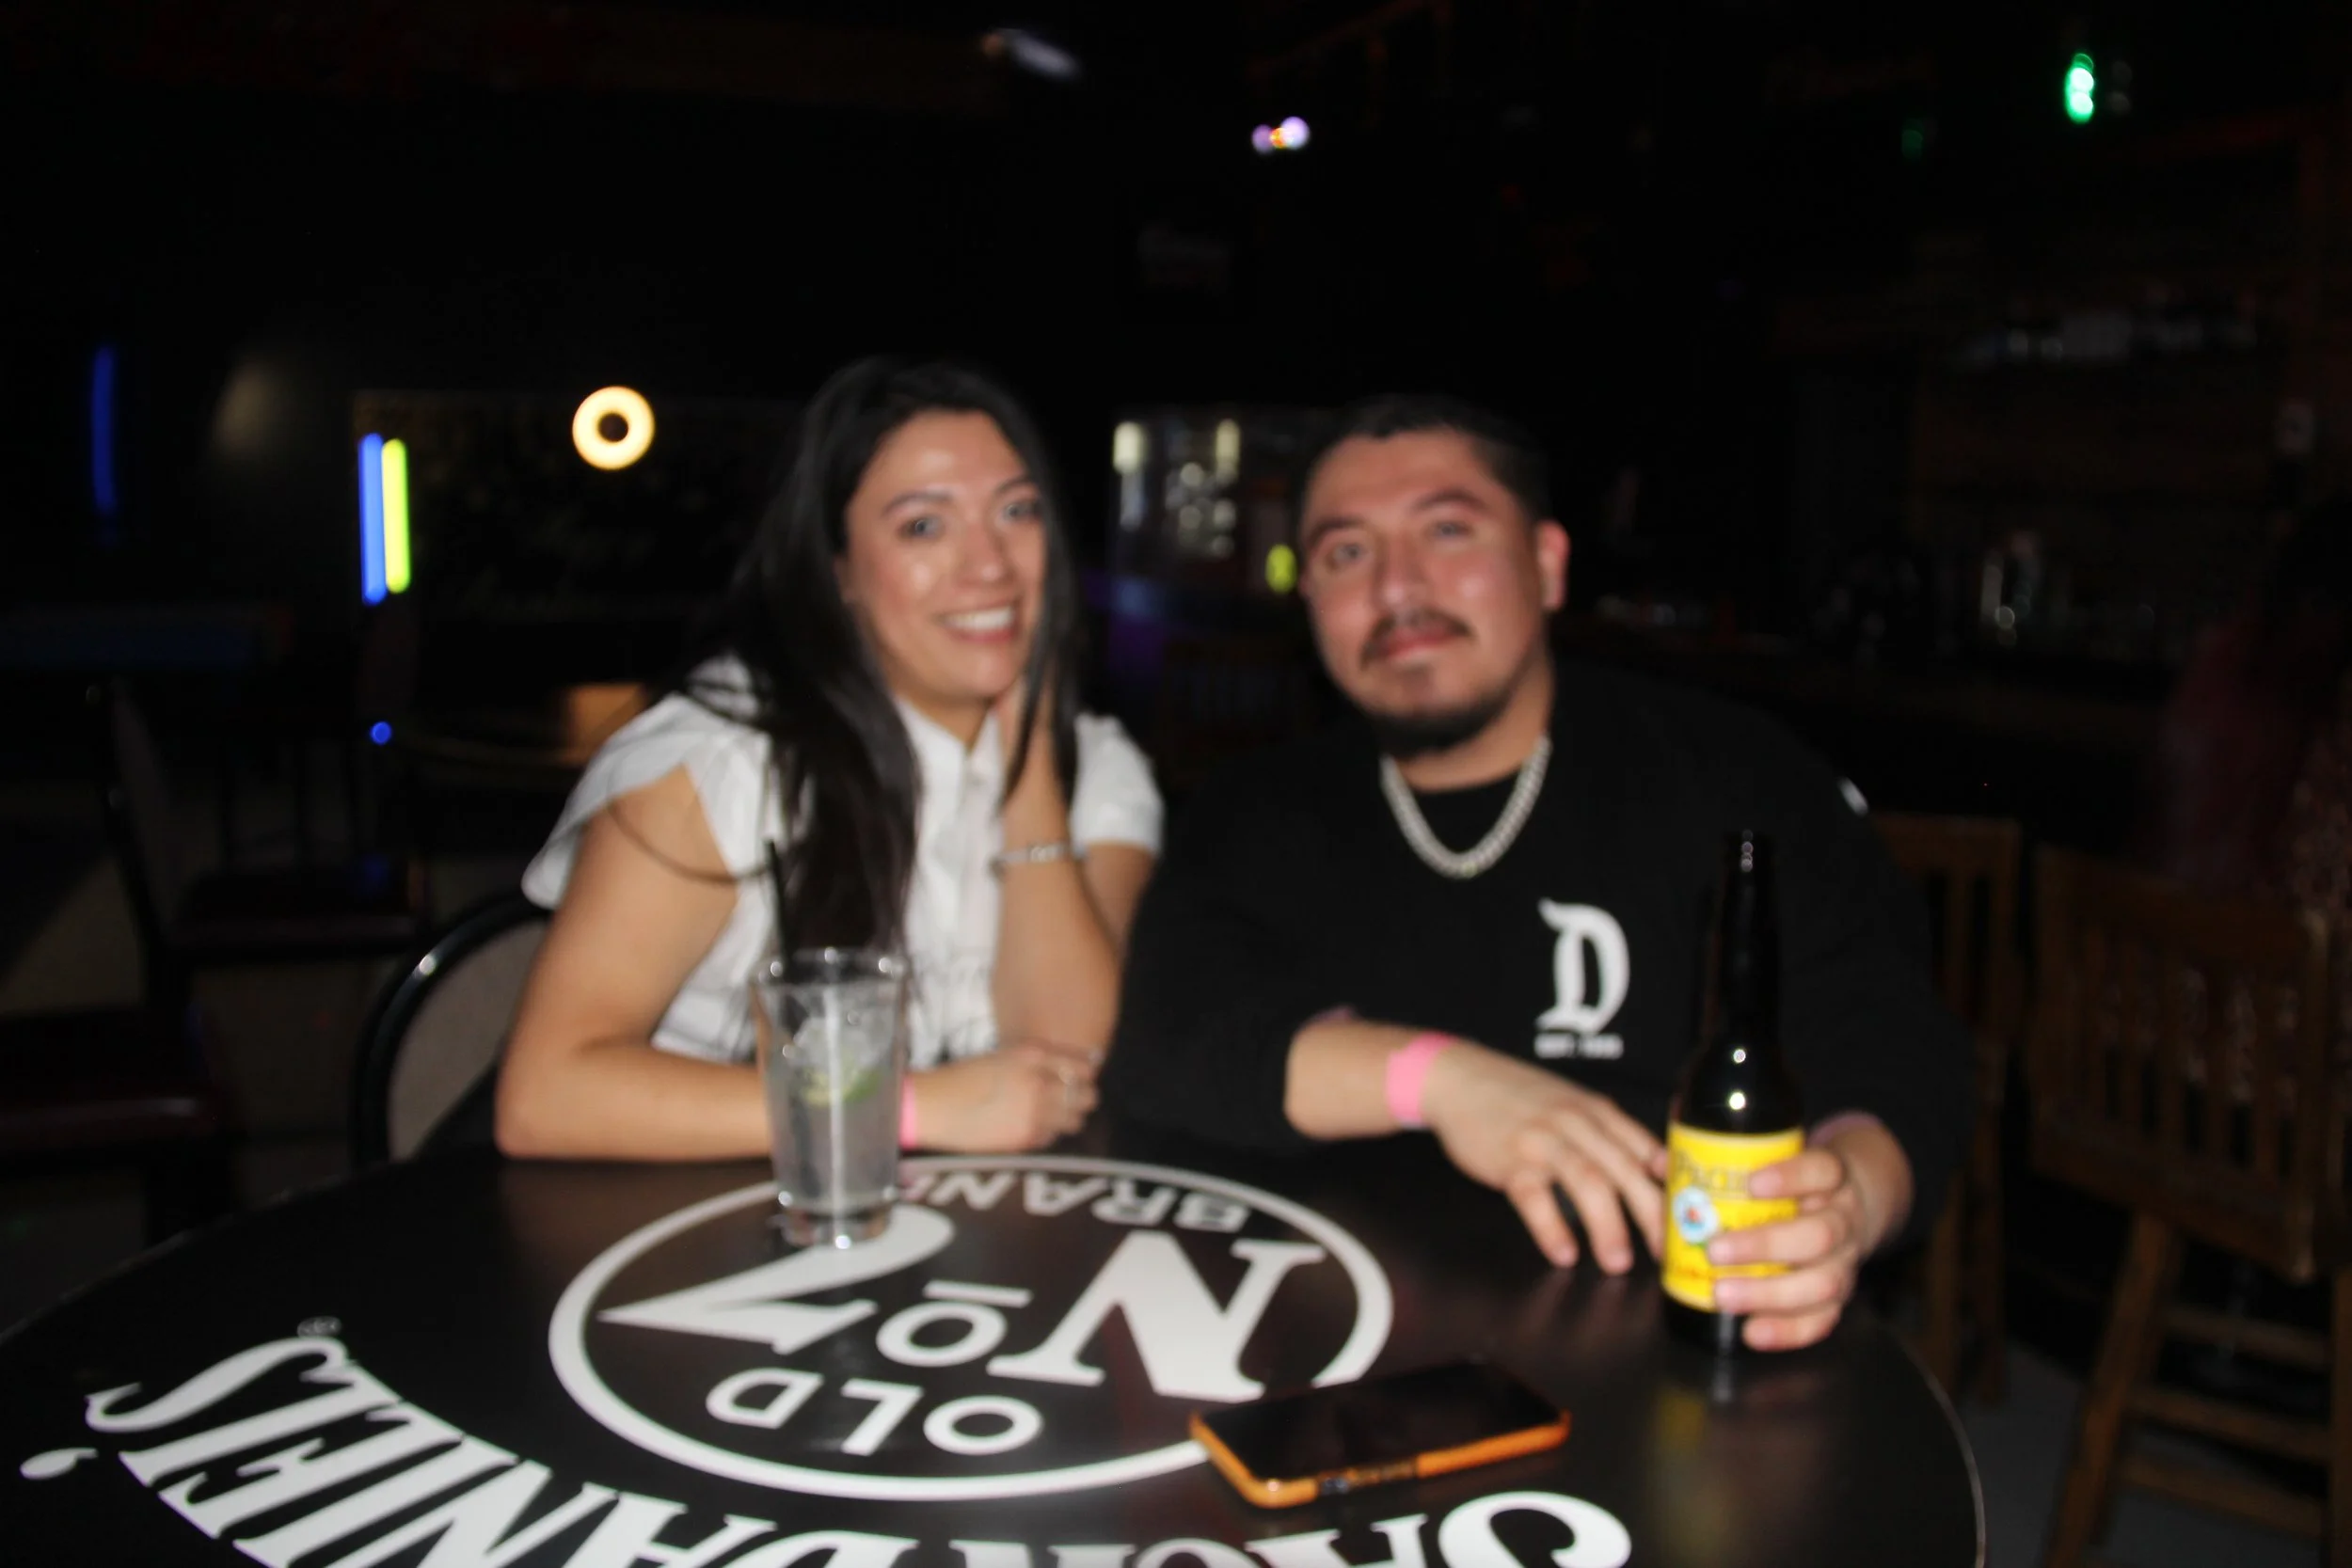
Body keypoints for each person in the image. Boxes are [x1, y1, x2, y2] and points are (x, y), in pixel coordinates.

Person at [1104, 395, 1970, 1352]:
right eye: (1347, 552)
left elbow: (1892, 1038)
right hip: (1336, 1328)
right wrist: (1442, 1080)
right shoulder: (1253, 806)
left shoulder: (1731, 776)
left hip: (1670, 1326)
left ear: (1547, 564)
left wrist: (1848, 1195)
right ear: (1308, 596)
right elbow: (1160, 1038)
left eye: (1446, 530)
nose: (1398, 587)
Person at [499, 357, 1162, 1162]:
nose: (990, 563)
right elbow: (547, 1095)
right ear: (839, 569)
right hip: (689, 1226)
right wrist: (901, 1108)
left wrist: (1027, 761)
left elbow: (1064, 1057)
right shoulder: (720, 764)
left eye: (1017, 510)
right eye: (924, 525)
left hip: (959, 1240)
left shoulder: (1096, 764)